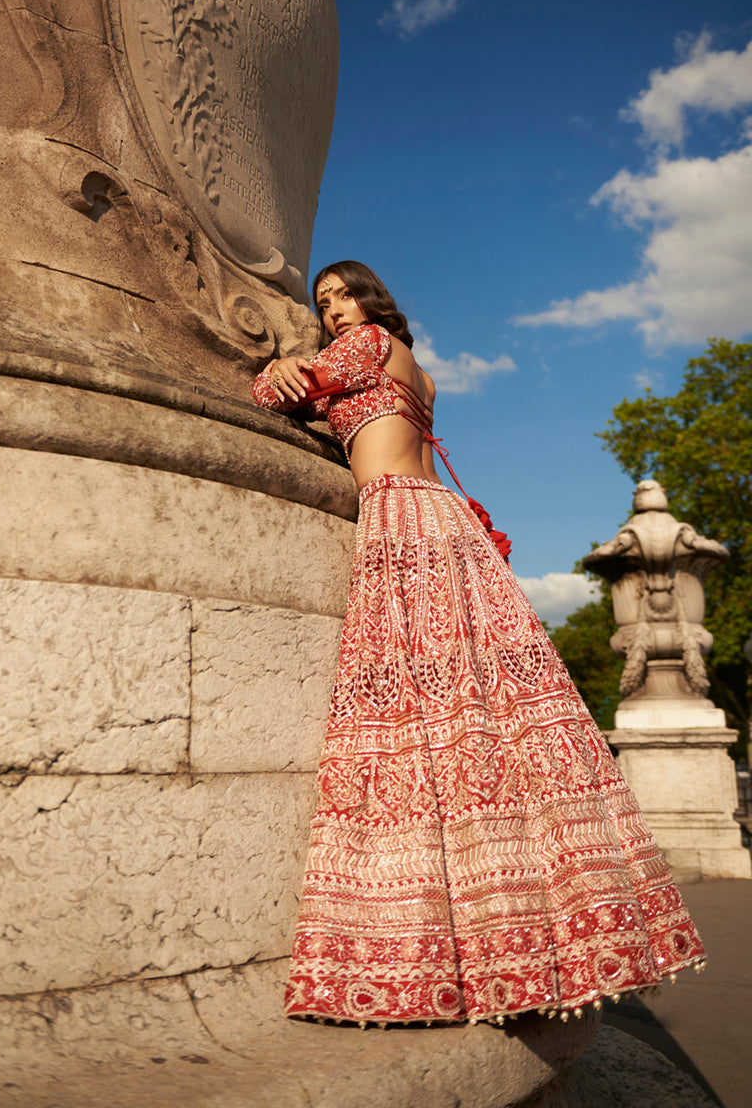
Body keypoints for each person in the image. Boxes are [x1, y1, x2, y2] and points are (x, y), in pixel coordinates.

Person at [252, 260, 705, 1027]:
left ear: (372, 300)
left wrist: (278, 364)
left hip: (403, 518)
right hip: (444, 519)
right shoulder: (419, 371)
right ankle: (536, 935)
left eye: (342, 296)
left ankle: (427, 939)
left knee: (418, 719)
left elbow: (272, 394)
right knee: (488, 718)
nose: (331, 311)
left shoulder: (364, 347)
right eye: (321, 302)